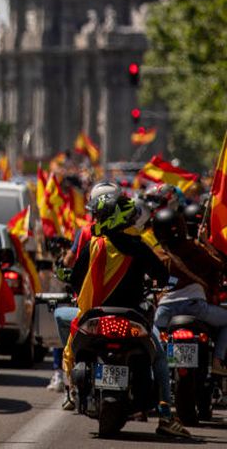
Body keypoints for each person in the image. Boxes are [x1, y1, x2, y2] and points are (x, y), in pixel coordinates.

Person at [67, 188, 190, 438]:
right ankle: (166, 414)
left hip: (94, 316)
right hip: (133, 317)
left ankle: (69, 388)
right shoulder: (138, 246)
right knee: (161, 359)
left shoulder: (95, 245)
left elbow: (75, 280)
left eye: (100, 215)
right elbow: (162, 276)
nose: (96, 220)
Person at [152, 207, 227, 376]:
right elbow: (219, 265)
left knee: (154, 344)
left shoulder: (158, 255)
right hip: (196, 308)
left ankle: (156, 374)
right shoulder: (194, 248)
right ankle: (216, 361)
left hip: (164, 312)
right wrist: (205, 243)